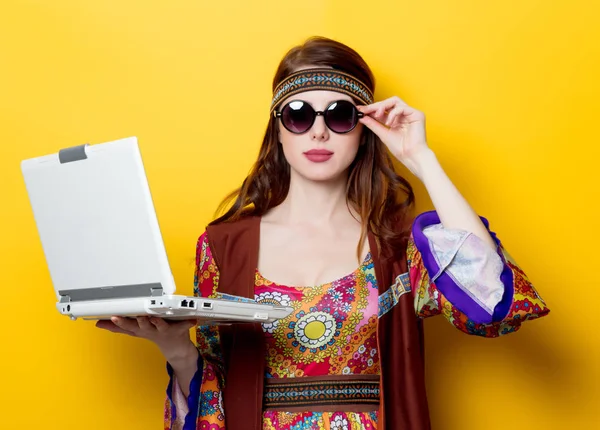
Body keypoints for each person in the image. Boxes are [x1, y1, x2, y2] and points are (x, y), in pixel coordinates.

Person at [97, 36, 550, 430]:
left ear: (363, 130)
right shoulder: (223, 247)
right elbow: (213, 386)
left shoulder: (399, 246)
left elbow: (494, 305)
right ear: (278, 129)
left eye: (339, 115)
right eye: (298, 114)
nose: (318, 132)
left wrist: (422, 159)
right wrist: (176, 348)